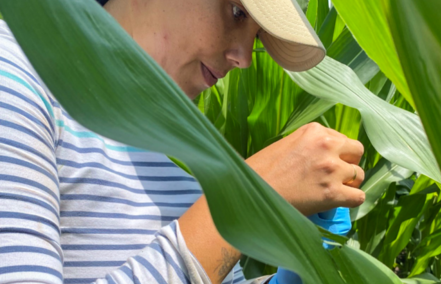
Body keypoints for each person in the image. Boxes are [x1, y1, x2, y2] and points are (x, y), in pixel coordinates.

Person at [0, 0, 365, 283]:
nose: (243, 58)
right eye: (237, 11)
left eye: (253, 38)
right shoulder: (14, 78)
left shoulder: (181, 151)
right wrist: (252, 197)